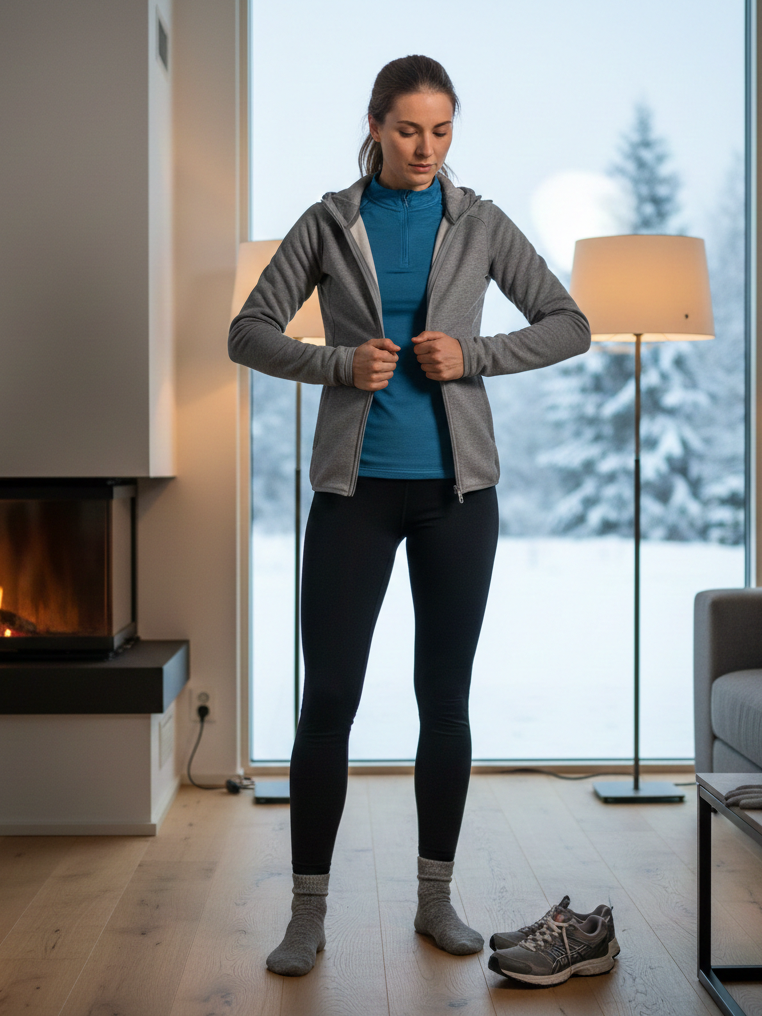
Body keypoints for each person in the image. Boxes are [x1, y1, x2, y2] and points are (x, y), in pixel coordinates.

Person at [229, 55, 590, 977]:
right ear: (376, 126)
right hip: (354, 493)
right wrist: (338, 364)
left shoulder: (479, 222)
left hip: (457, 498)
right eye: (407, 130)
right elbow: (249, 330)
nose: (425, 149)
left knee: (445, 701)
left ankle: (437, 900)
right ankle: (307, 914)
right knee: (331, 703)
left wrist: (471, 353)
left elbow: (566, 322)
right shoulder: (329, 222)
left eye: (441, 130)